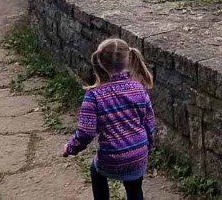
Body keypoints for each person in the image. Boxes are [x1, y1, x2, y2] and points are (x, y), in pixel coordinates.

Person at [64, 38, 156, 200]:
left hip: (112, 157)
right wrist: (148, 147)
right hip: (139, 153)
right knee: (135, 188)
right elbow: (149, 122)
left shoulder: (94, 96)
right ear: (128, 59)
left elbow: (86, 132)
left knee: (96, 170)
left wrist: (71, 148)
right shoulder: (138, 89)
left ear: (100, 62)